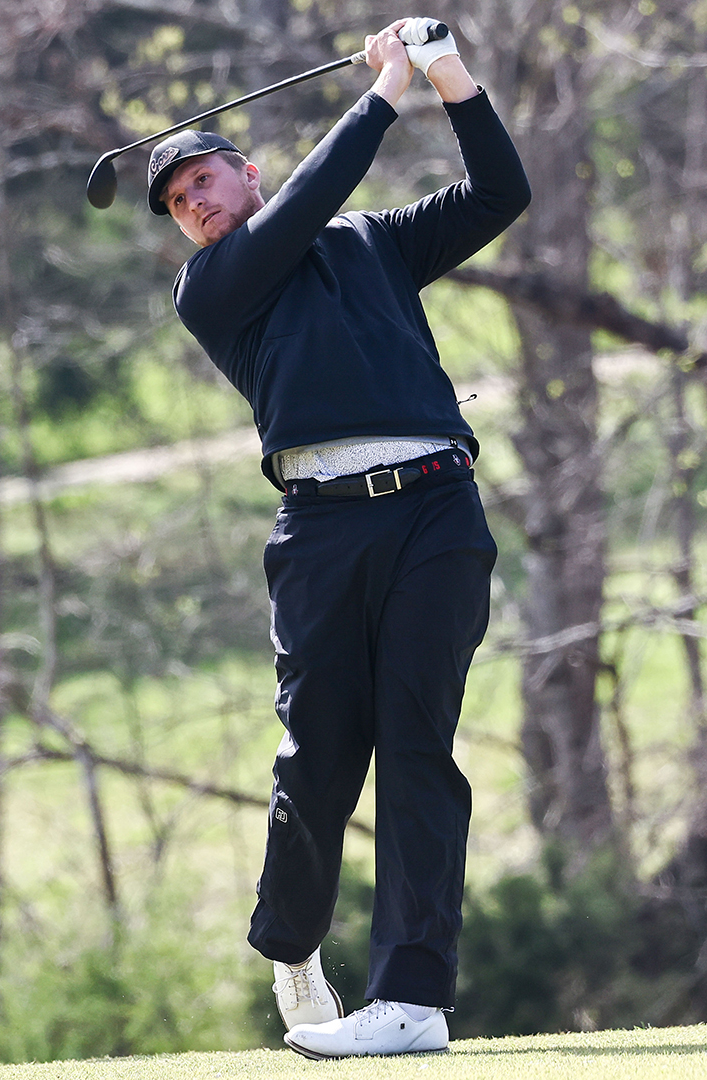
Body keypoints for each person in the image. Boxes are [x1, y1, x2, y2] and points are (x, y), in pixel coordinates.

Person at [148, 16, 528, 1059]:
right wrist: (384, 89)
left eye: (205, 183)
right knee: (319, 756)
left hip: (436, 512)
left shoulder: (375, 244)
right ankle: (292, 945)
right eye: (179, 205)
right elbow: (315, 196)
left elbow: (500, 195)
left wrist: (448, 77)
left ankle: (412, 999)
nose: (196, 208)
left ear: (248, 170)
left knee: (418, 747)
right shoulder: (215, 289)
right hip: (319, 531)